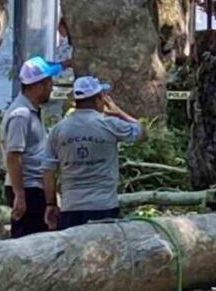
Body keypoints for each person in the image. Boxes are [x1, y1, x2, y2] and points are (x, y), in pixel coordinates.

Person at [44, 76, 145, 230]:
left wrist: (50, 204)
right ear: (99, 99)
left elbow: (48, 170)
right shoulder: (110, 125)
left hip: (70, 206)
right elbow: (142, 132)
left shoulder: (58, 130)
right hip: (103, 205)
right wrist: (118, 112)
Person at [0, 56, 62, 237]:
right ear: (39, 86)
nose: (51, 88)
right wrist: (20, 195)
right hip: (28, 188)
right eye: (49, 83)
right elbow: (13, 156)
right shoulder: (21, 114)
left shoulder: (32, 112)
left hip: (35, 186)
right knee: (29, 239)